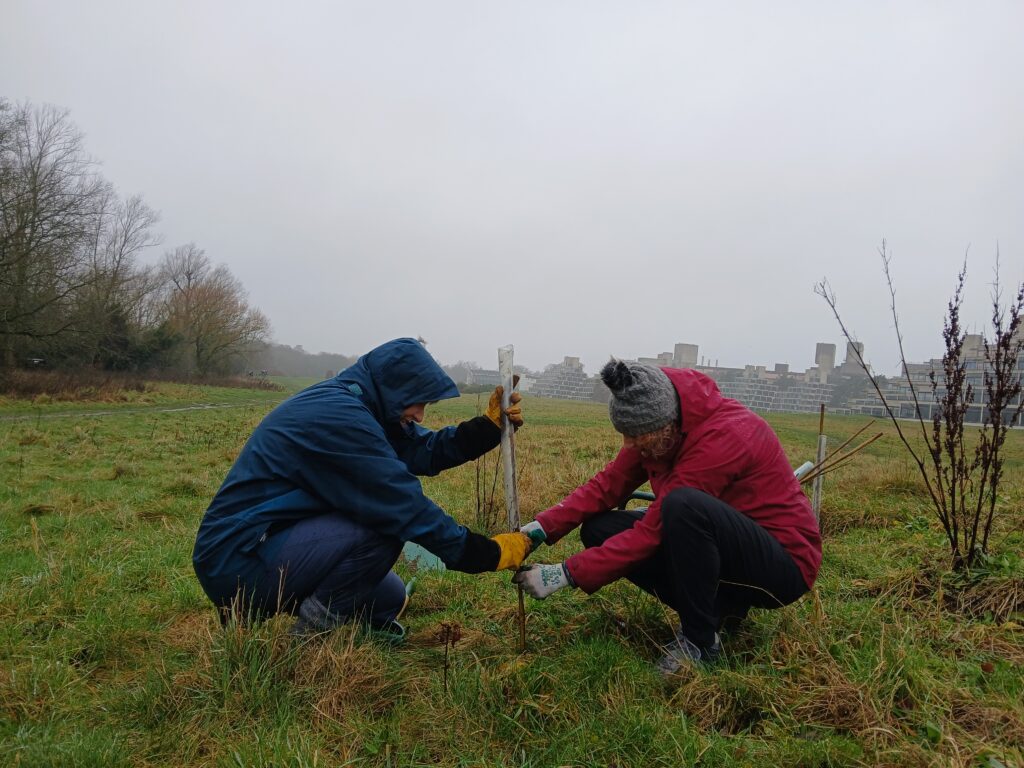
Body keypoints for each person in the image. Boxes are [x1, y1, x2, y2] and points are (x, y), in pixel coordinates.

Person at [193, 337, 531, 638]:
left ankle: (296, 607)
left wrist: (487, 429)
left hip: (270, 543)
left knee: (389, 597)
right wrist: (485, 553)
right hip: (238, 558)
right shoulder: (336, 415)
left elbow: (421, 450)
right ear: (395, 388)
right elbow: (402, 505)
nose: (420, 415)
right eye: (417, 402)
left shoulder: (363, 407)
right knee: (383, 527)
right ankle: (309, 639)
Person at [514, 359, 821, 674]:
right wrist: (538, 529)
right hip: (726, 549)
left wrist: (564, 573)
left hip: (782, 563)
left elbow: (653, 531)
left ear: (667, 425)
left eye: (637, 437)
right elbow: (607, 486)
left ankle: (700, 642)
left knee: (683, 506)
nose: (629, 445)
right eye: (626, 434)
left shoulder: (727, 436)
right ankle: (719, 611)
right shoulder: (656, 423)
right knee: (601, 529)